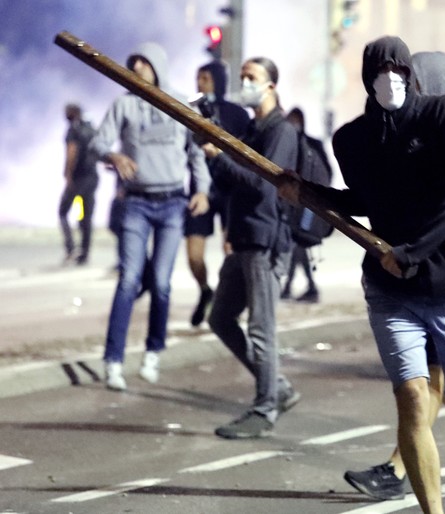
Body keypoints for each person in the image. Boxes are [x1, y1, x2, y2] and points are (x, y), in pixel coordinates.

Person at [279, 36, 445, 514]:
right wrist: (309, 192)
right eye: (379, 70)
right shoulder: (354, 138)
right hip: (391, 290)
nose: (390, 78)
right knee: (414, 400)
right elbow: (364, 200)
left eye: (398, 68)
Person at [90, 42, 210, 391]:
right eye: (134, 61)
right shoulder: (124, 103)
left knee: (161, 282)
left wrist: (201, 189)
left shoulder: (178, 103)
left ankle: (153, 351)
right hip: (137, 204)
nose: (138, 66)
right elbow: (98, 143)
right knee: (128, 280)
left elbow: (196, 152)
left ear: (158, 65)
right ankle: (113, 360)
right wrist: (113, 157)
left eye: (144, 61)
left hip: (173, 203)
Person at [203, 57, 301, 439]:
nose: (244, 82)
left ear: (271, 86)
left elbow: (262, 183)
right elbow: (231, 184)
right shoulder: (250, 129)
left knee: (261, 331)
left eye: (251, 77)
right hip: (243, 237)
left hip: (266, 241)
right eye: (242, 76)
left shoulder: (281, 132)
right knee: (220, 318)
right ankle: (278, 388)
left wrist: (219, 157)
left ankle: (264, 408)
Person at [186, 60, 250, 326]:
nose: (201, 84)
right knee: (194, 255)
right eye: (198, 78)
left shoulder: (237, 114)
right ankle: (205, 291)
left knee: (231, 250)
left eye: (207, 79)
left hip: (230, 190)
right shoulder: (188, 112)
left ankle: (228, 302)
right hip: (200, 190)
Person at [280, 107, 328, 304]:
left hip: (308, 203)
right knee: (298, 243)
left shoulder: (310, 145)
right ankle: (303, 286)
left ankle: (300, 286)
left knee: (300, 241)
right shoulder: (294, 143)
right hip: (298, 203)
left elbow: (326, 172)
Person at [58, 103, 99, 266]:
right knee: (86, 217)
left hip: (78, 178)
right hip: (92, 177)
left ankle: (71, 248)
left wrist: (68, 175)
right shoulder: (92, 129)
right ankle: (85, 252)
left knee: (63, 212)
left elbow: (71, 152)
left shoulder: (73, 131)